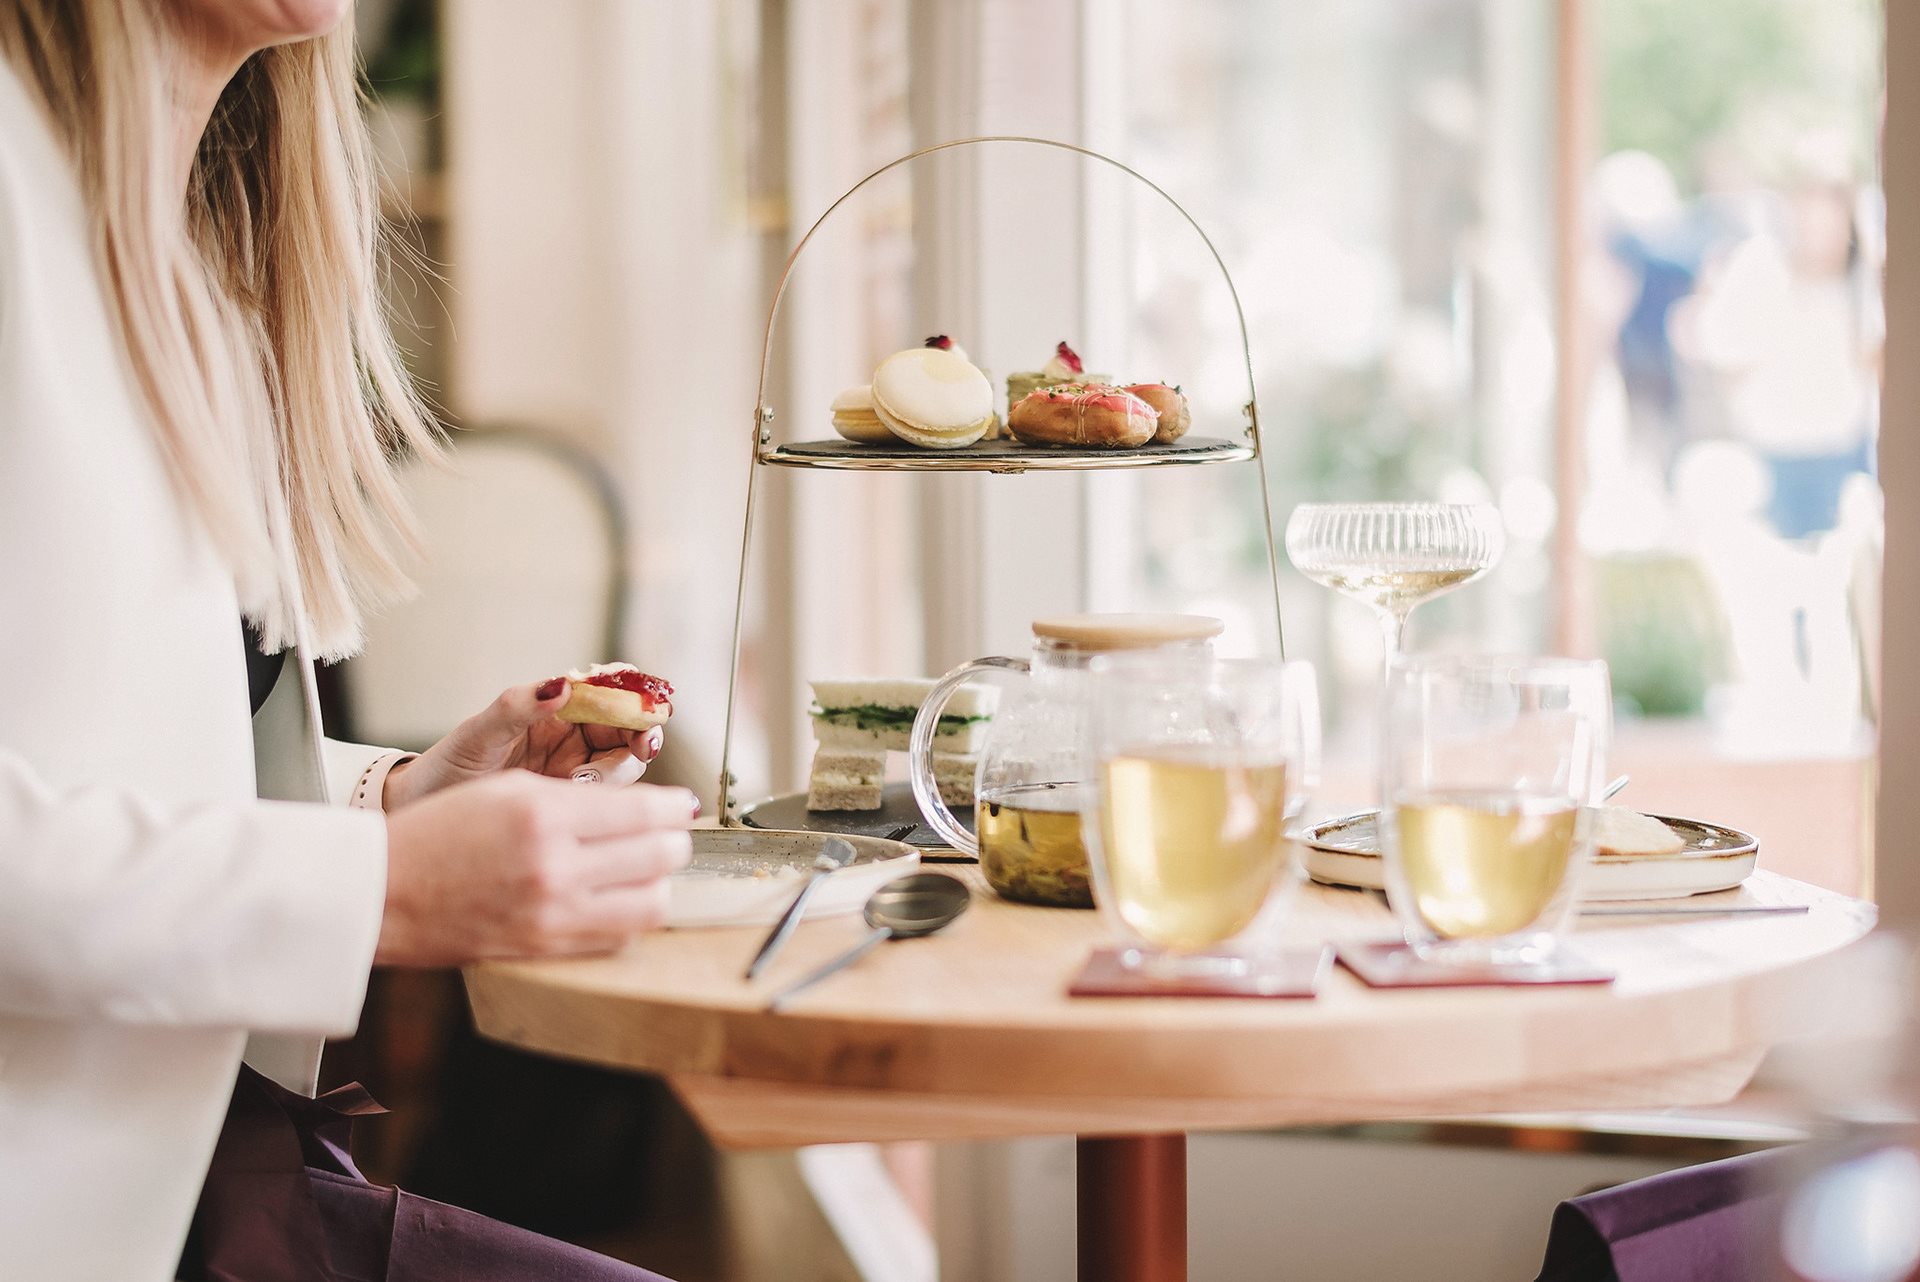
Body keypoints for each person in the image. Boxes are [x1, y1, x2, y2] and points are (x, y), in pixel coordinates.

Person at [0, 1, 692, 1277]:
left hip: (172, 1188)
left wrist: (393, 803)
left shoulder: (187, 253)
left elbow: (81, 748)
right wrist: (381, 892)